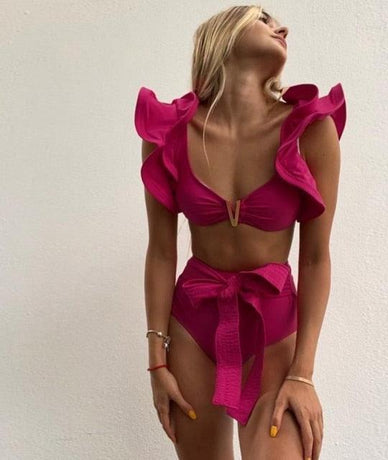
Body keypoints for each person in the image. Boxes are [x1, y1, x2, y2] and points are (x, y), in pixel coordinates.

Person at [134, 5, 346, 459]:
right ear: (223, 35)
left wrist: (303, 374)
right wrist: (156, 360)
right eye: (263, 19)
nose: (281, 27)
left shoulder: (310, 130)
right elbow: (161, 252)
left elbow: (315, 258)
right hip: (192, 326)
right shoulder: (166, 133)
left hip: (273, 328)